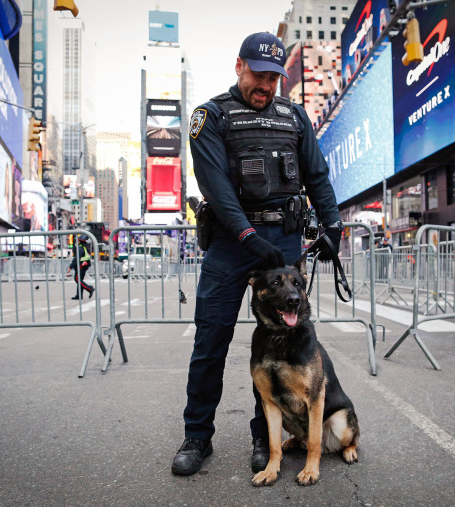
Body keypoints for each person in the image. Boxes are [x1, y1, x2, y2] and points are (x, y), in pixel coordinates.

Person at [171, 32, 342, 476]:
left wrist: (333, 226)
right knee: (211, 340)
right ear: (238, 67)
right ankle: (197, 436)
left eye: (273, 77)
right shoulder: (210, 117)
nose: (265, 86)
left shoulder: (295, 117)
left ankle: (262, 438)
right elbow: (216, 189)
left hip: (282, 241)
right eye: (258, 75)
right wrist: (249, 237)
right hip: (233, 242)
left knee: (281, 344)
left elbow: (318, 177)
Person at [66, 234, 94, 300]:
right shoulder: (84, 247)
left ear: (80, 241)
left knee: (77, 279)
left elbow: (76, 258)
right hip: (84, 265)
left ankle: (89, 288)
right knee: (80, 280)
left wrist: (71, 266)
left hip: (81, 265)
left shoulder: (80, 248)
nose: (77, 241)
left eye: (78, 240)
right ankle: (79, 295)